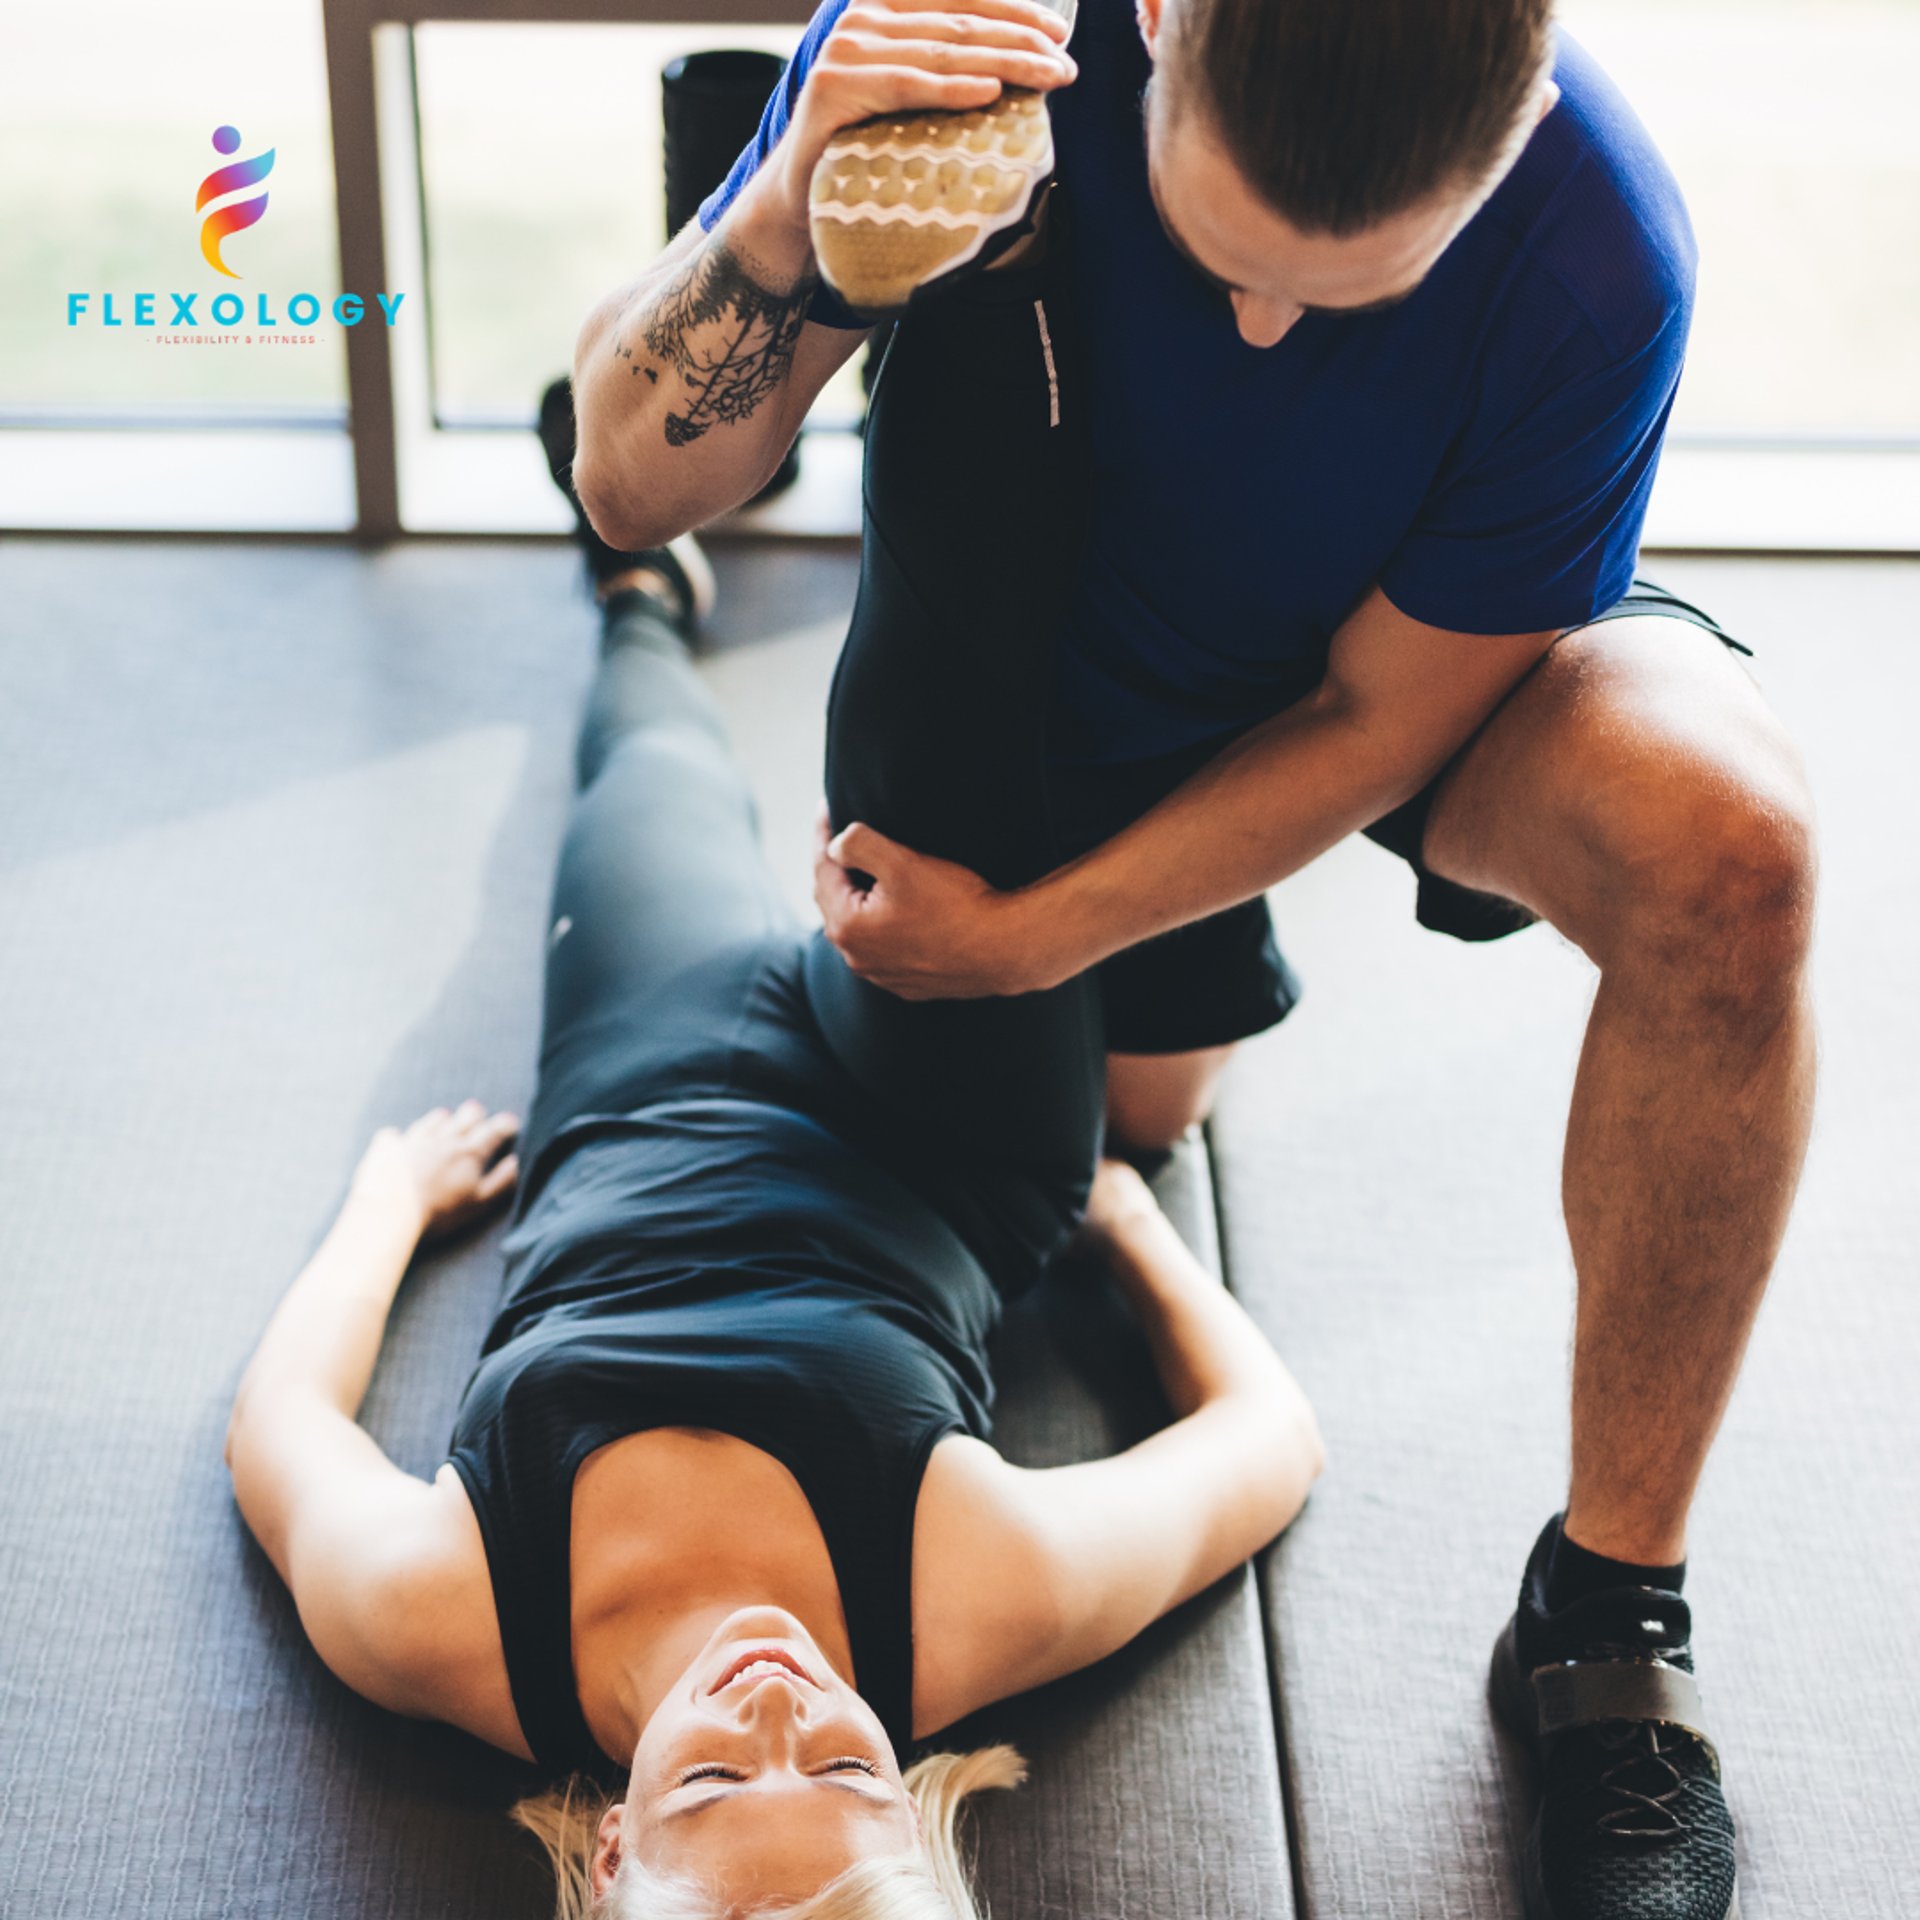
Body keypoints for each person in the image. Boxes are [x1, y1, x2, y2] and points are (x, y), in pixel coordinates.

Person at [568, 2, 1818, 1917]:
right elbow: (625, 484)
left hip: (1374, 671)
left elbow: (1370, 723)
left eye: (1363, 292)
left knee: (1738, 861)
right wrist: (776, 225)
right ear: (1152, 27)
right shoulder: (975, 47)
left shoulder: (1592, 246)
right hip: (1021, 673)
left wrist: (1035, 946)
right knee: (1106, 1149)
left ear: (1522, 112)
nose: (1268, 335)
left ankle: (1609, 1621)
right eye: (1229, 260)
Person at [223, 282, 1323, 1920]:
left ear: (610, 1843)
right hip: (945, 1140)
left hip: (636, 1077)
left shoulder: (443, 1624)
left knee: (643, 750)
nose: (787, 1703)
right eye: (857, 1767)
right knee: (952, 798)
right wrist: (1130, 1217)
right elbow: (1272, 1446)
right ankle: (986, 290)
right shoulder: (965, 1604)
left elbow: (280, 1437)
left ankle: (645, 577)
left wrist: (379, 1217)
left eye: (718, 1775)